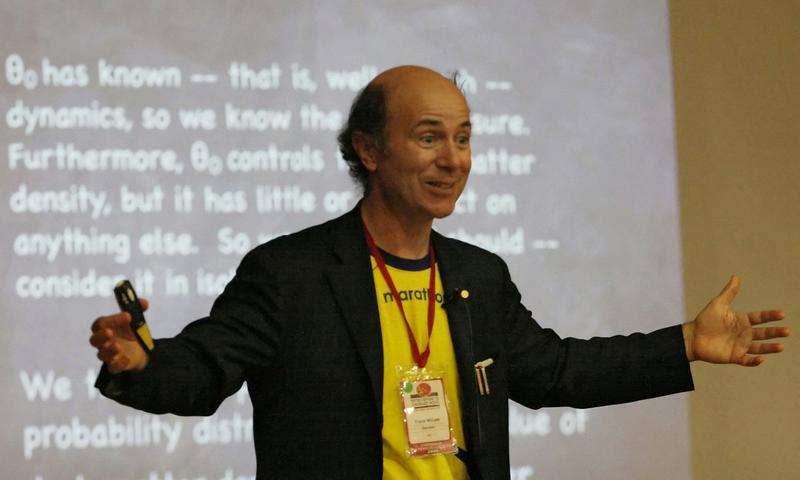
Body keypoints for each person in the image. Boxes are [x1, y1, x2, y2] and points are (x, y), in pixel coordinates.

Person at [90, 66, 789, 479]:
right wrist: (139, 362)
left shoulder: (478, 276)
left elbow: (555, 371)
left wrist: (685, 343)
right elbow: (206, 368)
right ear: (368, 149)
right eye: (429, 137)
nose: (453, 158)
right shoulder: (290, 273)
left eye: (463, 138)